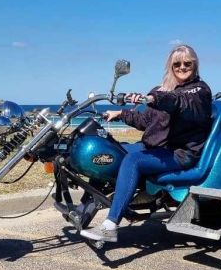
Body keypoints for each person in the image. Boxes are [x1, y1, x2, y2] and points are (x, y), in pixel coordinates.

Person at [80, 44, 212, 243]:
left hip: (179, 153)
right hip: (155, 148)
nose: (182, 67)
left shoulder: (198, 91)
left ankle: (110, 225)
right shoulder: (162, 89)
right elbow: (144, 121)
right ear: (170, 65)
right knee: (110, 152)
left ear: (195, 64)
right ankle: (85, 208)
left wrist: (152, 98)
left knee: (133, 161)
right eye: (177, 63)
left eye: (188, 63)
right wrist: (120, 113)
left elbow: (177, 101)